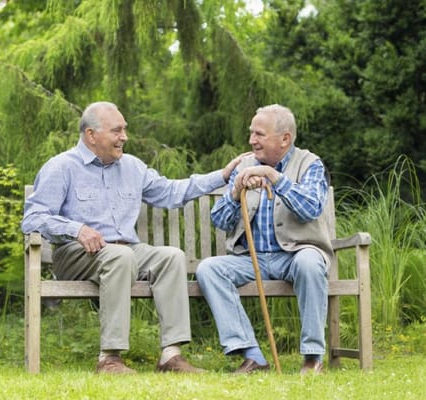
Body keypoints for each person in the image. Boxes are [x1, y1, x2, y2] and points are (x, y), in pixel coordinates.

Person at [22, 101, 241, 374]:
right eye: (116, 131)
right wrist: (76, 229)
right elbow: (32, 218)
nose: (124, 136)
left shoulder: (133, 167)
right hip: (75, 255)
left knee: (172, 257)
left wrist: (222, 175)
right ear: (91, 135)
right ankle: (109, 358)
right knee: (121, 256)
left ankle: (171, 356)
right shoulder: (62, 167)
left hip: (124, 251)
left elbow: (172, 192)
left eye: (124, 129)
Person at [195, 104, 333, 375]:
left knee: (309, 263)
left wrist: (276, 178)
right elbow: (220, 220)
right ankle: (253, 355)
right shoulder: (244, 166)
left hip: (296, 254)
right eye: (251, 133)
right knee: (208, 269)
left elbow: (312, 209)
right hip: (251, 259)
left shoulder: (310, 164)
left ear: (285, 139)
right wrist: (236, 192)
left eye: (259, 134)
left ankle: (312, 357)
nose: (251, 141)